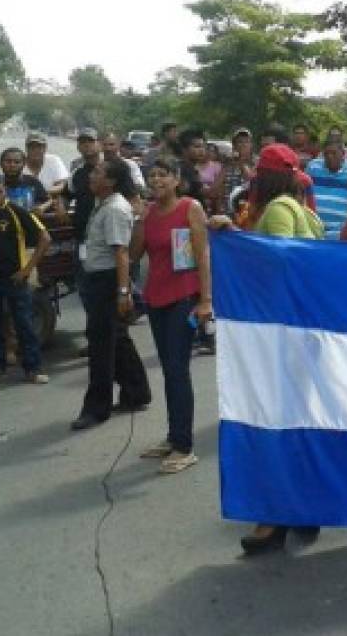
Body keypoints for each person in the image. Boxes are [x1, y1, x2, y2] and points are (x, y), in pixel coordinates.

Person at [209, 143, 323, 554]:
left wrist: (235, 238)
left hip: (282, 332)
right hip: (302, 330)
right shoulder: (303, 210)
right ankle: (303, 510)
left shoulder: (277, 210)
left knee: (276, 423)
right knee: (299, 422)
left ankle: (275, 516)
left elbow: (277, 263)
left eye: (260, 171)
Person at [130, 157, 211, 473]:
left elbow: (202, 254)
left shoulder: (190, 208)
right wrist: (137, 220)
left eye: (163, 175)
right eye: (152, 176)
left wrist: (205, 300)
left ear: (177, 180)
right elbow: (136, 254)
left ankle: (184, 446)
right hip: (156, 298)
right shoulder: (148, 214)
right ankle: (173, 435)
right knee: (168, 369)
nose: (157, 181)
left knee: (178, 370)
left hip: (184, 298)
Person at [71, 157, 152, 430]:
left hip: (107, 282)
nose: (91, 175)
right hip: (99, 279)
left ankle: (96, 408)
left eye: (98, 172)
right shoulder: (102, 204)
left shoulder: (115, 209)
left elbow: (121, 254)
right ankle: (136, 392)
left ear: (111, 181)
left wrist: (122, 292)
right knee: (117, 339)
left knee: (101, 346)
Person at [0, 172, 51, 385]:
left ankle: (33, 369)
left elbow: (45, 238)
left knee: (24, 325)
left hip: (16, 280)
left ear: (5, 192)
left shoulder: (17, 212)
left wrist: (27, 269)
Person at [305, 138, 347, 239]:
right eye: (326, 154)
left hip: (339, 232)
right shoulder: (313, 167)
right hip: (312, 229)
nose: (330, 157)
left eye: (334, 153)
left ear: (343, 154)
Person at [0, 147, 50, 212]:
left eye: (17, 162)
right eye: (8, 162)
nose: (12, 165)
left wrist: (42, 207)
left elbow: (48, 201)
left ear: (24, 164)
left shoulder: (33, 182)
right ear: (0, 163)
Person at [221, 127, 256, 201]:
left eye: (247, 142)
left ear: (251, 145)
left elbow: (252, 182)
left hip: (248, 208)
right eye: (240, 142)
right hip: (228, 209)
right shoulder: (227, 163)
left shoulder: (256, 162)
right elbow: (215, 189)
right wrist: (227, 165)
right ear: (234, 145)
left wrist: (241, 163)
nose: (243, 145)